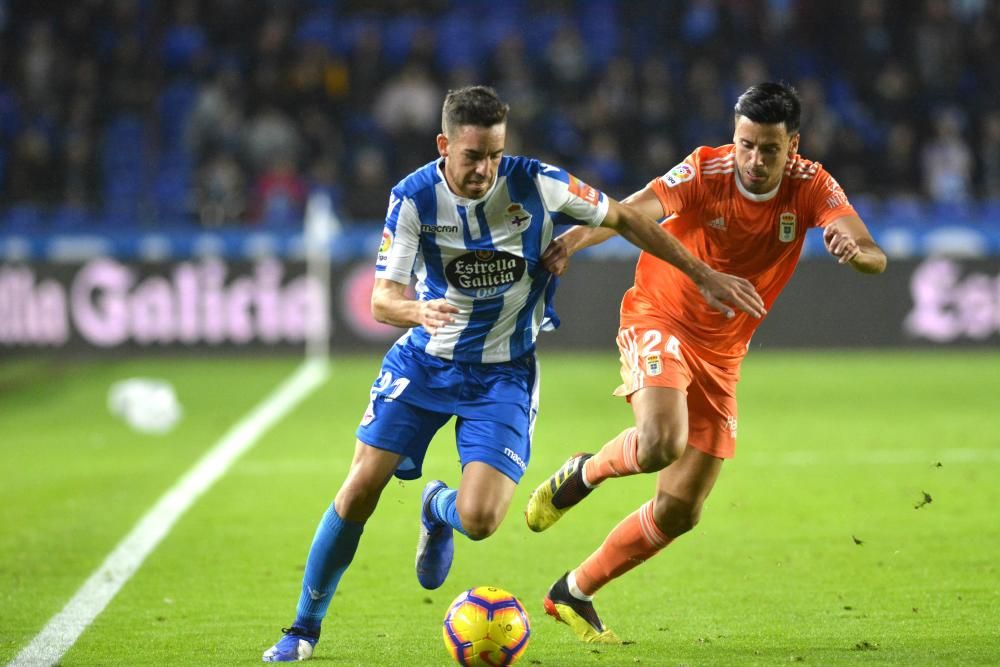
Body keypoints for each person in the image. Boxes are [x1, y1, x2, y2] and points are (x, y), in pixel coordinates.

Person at [262, 85, 765, 662]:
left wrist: (701, 273)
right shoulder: (413, 198)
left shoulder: (538, 182)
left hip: (504, 375)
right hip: (425, 361)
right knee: (358, 491)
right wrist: (416, 310)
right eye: (473, 155)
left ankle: (437, 508)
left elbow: (627, 218)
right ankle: (303, 629)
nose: (485, 168)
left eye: (495, 153)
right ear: (444, 145)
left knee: (479, 520)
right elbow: (381, 299)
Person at [524, 81, 887, 644]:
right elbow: (629, 213)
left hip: (723, 351)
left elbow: (872, 255)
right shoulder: (704, 172)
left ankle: (573, 590)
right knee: (662, 442)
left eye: (769, 148)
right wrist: (573, 241)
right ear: (733, 136)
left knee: (679, 511)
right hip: (659, 315)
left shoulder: (811, 184)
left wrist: (853, 251)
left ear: (794, 145)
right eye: (745, 144)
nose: (754, 160)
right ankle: (586, 471)